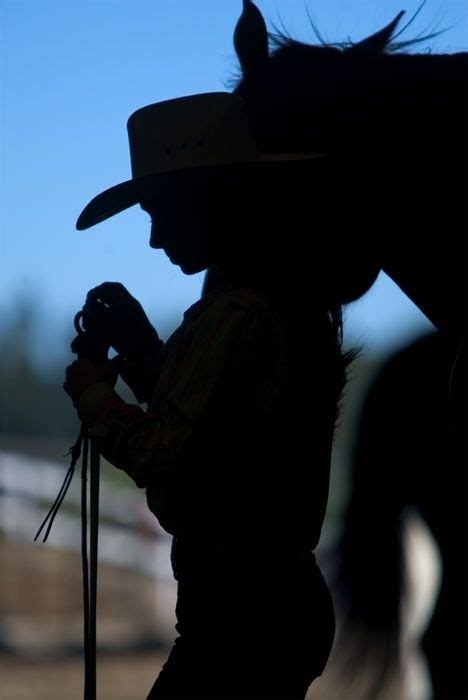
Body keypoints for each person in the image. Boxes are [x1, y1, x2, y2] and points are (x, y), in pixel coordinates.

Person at [64, 92, 371, 698]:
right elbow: (215, 428)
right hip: (264, 612)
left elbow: (164, 452)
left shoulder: (238, 315)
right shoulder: (268, 305)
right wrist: (145, 350)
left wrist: (94, 396)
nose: (153, 239)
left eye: (161, 212)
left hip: (240, 621)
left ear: (205, 204)